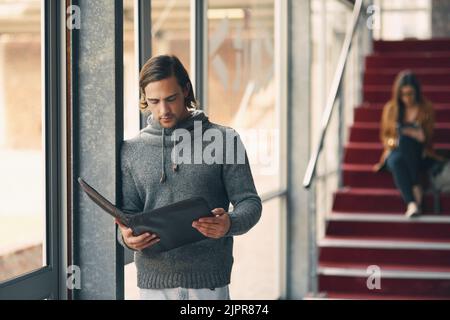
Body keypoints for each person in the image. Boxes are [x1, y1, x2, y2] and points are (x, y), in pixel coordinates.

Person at [115, 54, 262, 300]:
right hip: (153, 287)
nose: (164, 110)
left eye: (171, 99)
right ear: (145, 100)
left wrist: (229, 223)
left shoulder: (225, 140)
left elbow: (250, 203)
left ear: (185, 90)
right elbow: (128, 214)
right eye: (154, 101)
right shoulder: (131, 150)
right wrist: (127, 239)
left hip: (209, 284)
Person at [373, 70, 444, 218]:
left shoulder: (426, 108)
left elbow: (428, 137)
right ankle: (414, 195)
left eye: (410, 93)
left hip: (420, 152)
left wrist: (418, 135)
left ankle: (411, 202)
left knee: (402, 151)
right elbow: (385, 136)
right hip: (395, 150)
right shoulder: (391, 109)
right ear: (398, 93)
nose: (407, 98)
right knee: (397, 157)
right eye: (403, 94)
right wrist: (396, 141)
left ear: (416, 92)